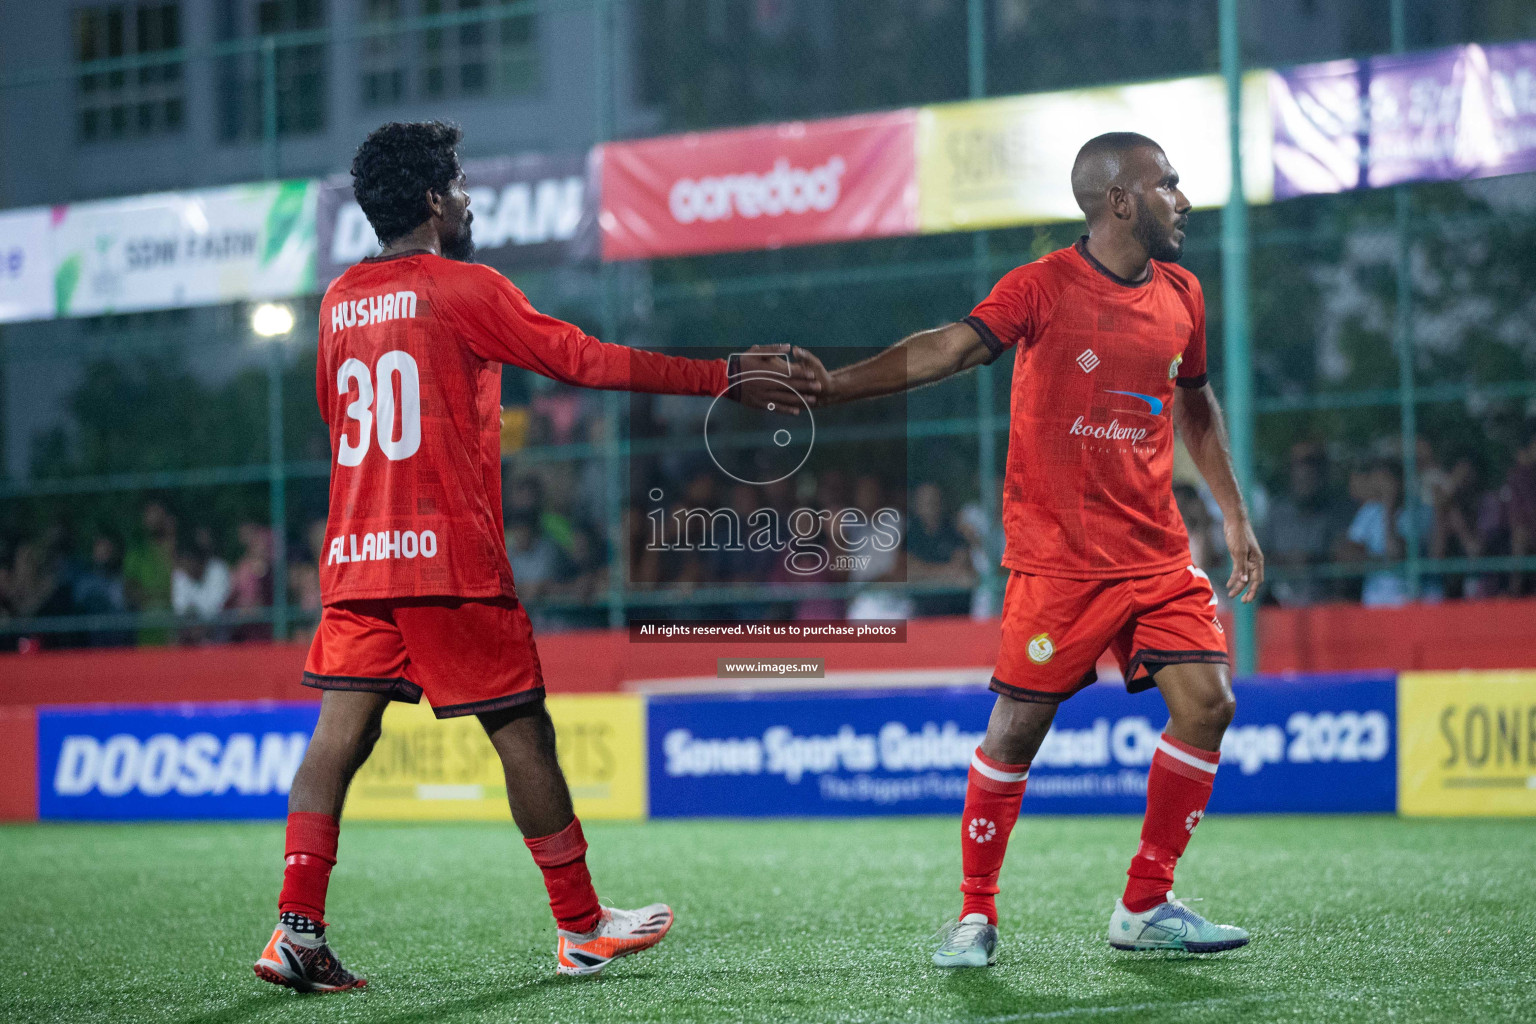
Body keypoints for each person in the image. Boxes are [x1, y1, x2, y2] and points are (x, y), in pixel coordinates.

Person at [254, 120, 818, 994]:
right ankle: (582, 924)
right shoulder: (463, 287)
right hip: (446, 562)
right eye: (463, 182)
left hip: (360, 556)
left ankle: (296, 929)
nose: (471, 196)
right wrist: (721, 376)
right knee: (523, 728)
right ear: (435, 201)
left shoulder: (336, 303)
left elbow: (340, 424)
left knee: (338, 738)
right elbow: (583, 361)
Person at [798, 132, 1264, 965]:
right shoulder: (1041, 286)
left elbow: (1194, 404)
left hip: (1156, 555)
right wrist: (837, 385)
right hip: (1057, 563)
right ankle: (976, 915)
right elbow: (951, 345)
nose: (1182, 200)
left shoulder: (1184, 294)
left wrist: (1230, 514)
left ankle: (1144, 907)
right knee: (1016, 731)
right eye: (1168, 184)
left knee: (1210, 704)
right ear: (1120, 200)